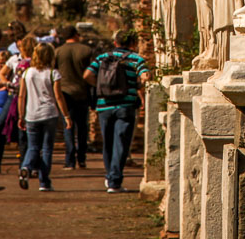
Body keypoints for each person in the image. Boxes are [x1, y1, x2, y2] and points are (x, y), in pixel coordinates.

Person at [84, 30, 149, 193]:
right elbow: (145, 76)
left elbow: (87, 75)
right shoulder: (136, 59)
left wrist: (101, 87)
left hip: (104, 105)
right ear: (133, 44)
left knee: (108, 142)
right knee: (121, 143)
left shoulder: (102, 58)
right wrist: (138, 85)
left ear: (115, 43)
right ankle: (114, 180)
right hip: (125, 106)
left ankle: (110, 176)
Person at [17, 42, 71, 192]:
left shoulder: (27, 73)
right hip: (49, 114)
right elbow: (58, 96)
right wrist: (66, 116)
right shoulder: (54, 73)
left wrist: (20, 116)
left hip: (31, 114)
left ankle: (26, 167)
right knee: (47, 149)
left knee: (33, 146)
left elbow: (21, 96)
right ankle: (44, 182)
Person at [55, 25, 93, 170]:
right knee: (83, 127)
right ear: (76, 35)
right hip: (82, 92)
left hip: (64, 94)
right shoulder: (86, 50)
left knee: (68, 126)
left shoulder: (58, 52)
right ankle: (81, 158)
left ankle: (69, 160)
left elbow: (54, 74)